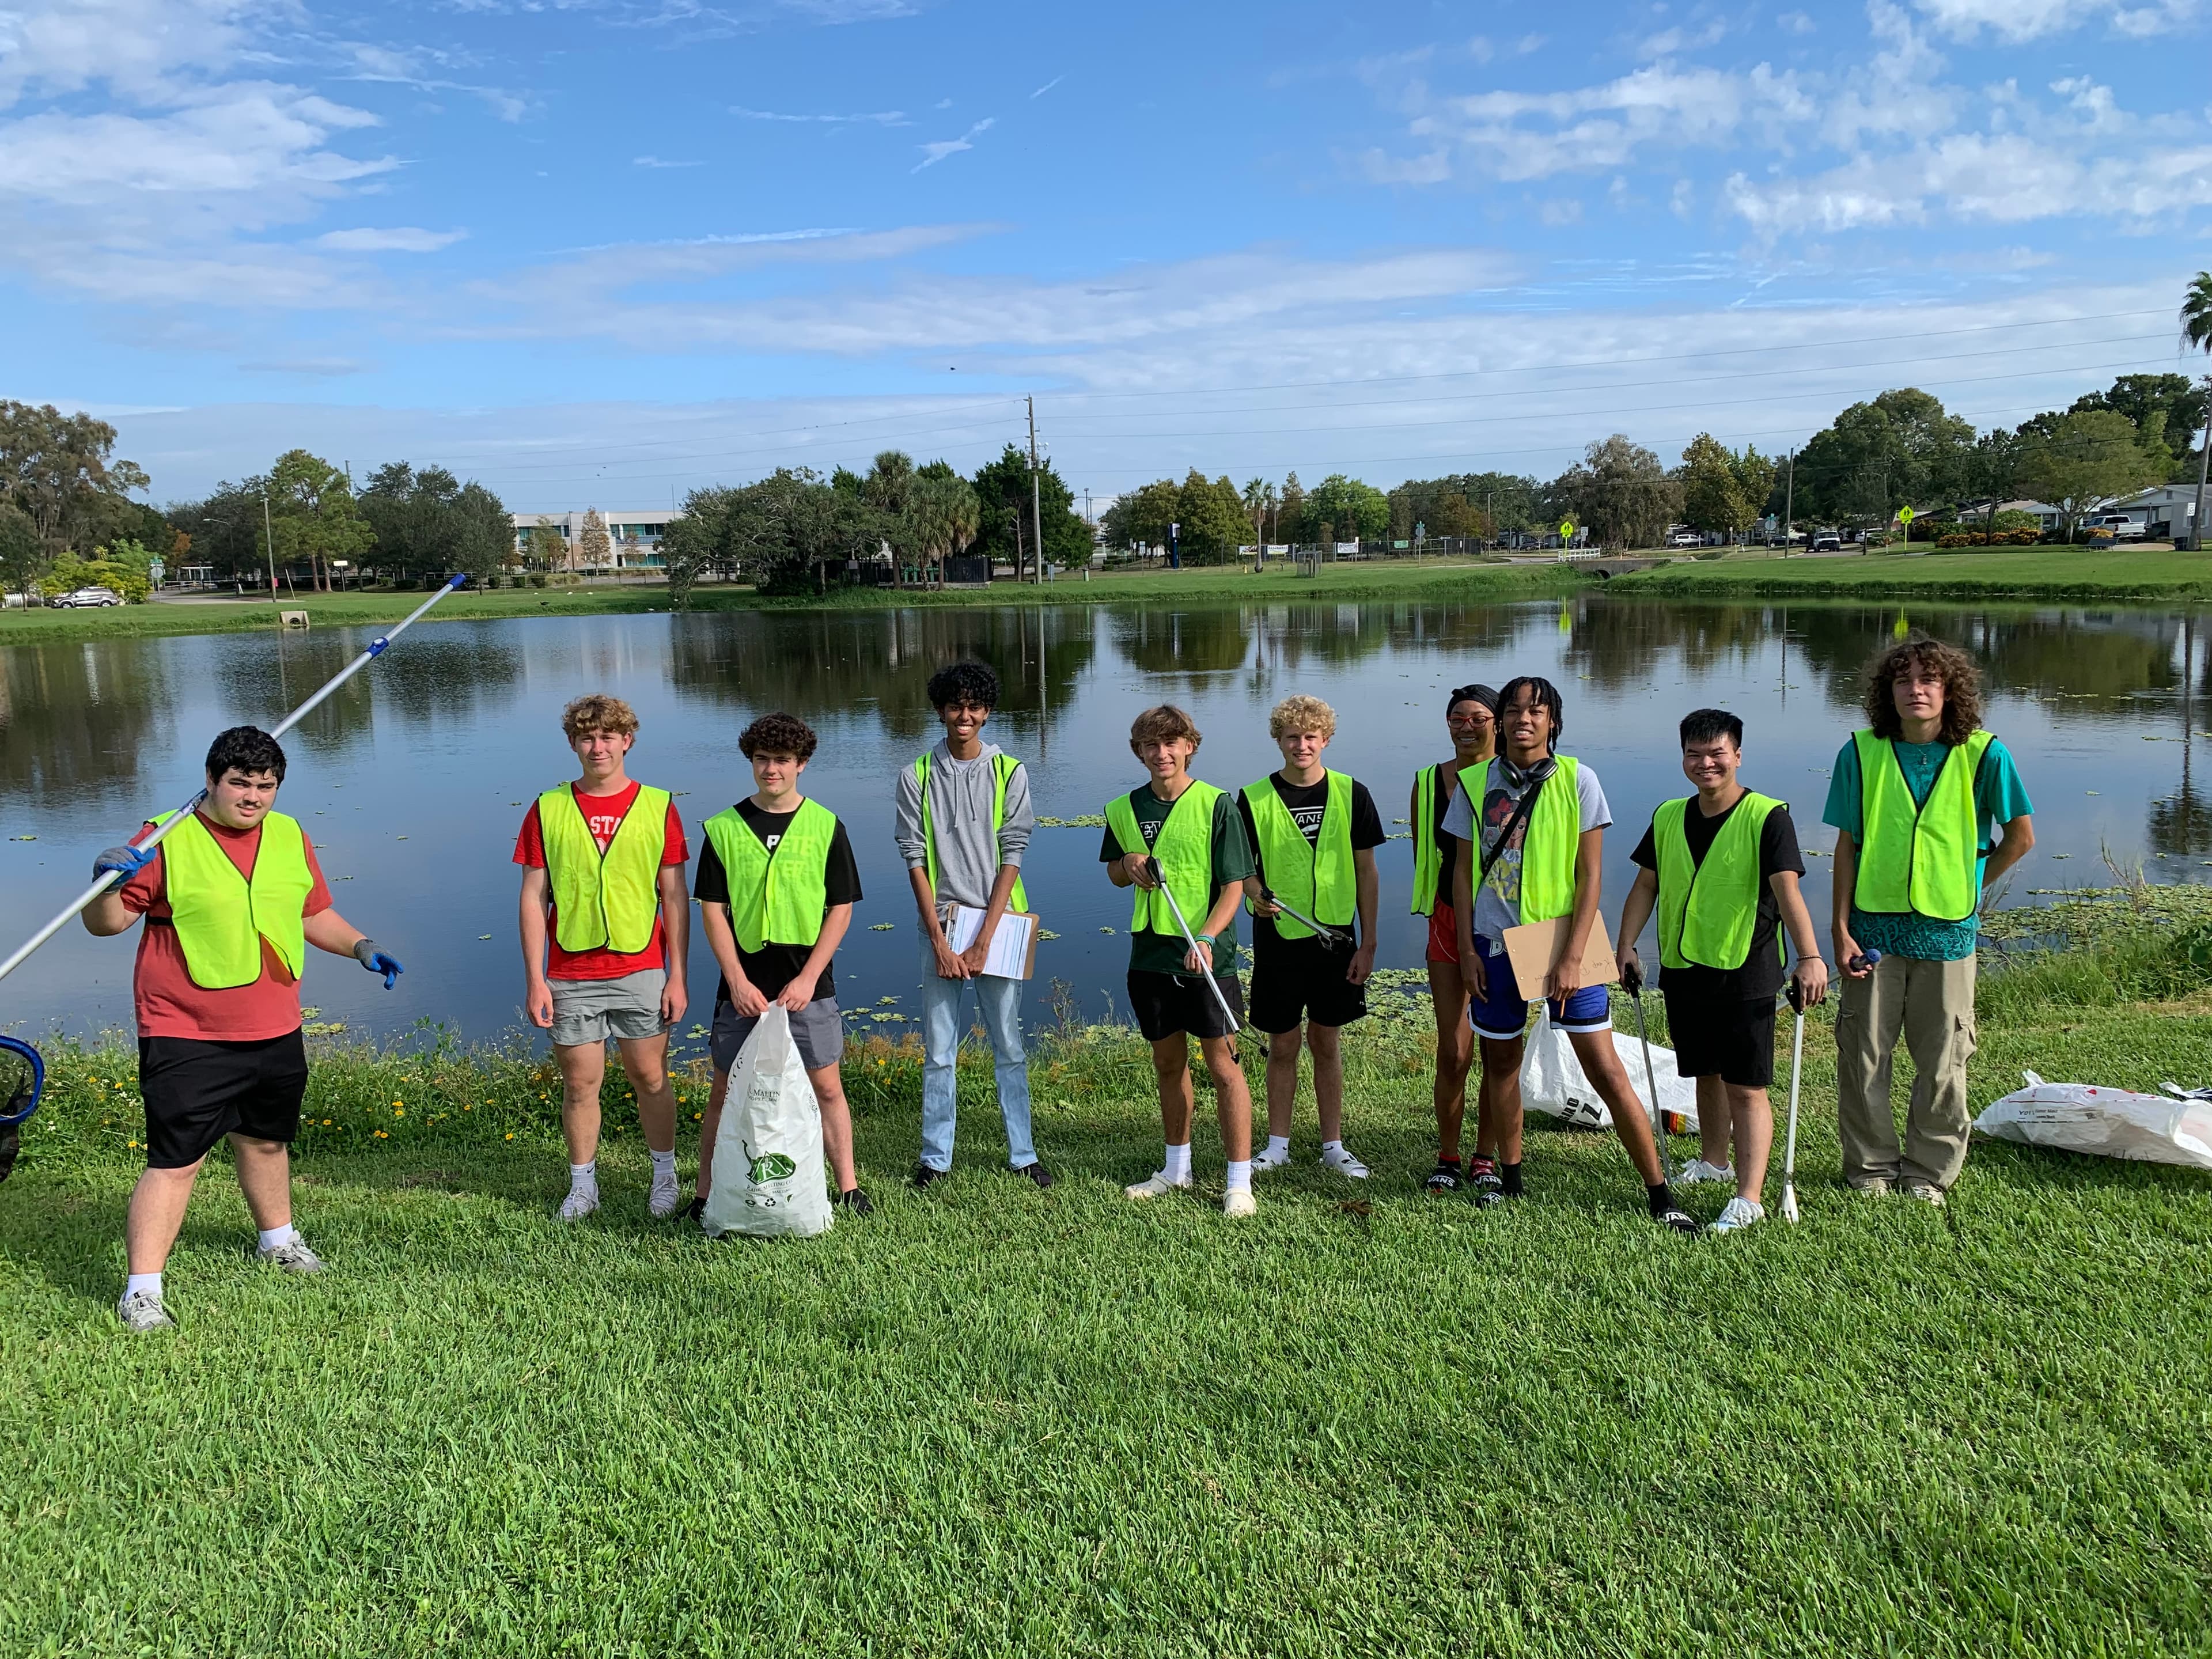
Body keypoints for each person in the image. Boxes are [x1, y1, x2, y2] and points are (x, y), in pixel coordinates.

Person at [81, 726, 405, 1332]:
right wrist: (107, 878)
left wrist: (361, 946)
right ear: (210, 780)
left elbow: (312, 912)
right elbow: (107, 925)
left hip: (275, 1024)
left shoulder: (288, 835)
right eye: (240, 784)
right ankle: (142, 1290)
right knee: (175, 1160)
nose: (254, 798)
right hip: (187, 1029)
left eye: (266, 786)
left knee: (265, 1140)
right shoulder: (165, 838)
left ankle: (278, 1241)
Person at [1445, 676, 1698, 1232]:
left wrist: (1569, 955)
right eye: (1513, 711)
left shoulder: (1579, 779)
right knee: (1502, 1065)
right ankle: (1509, 1179)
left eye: (1536, 711)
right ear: (1501, 720)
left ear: (1553, 721)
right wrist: (1465, 947)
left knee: (1605, 1068)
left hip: (1563, 941)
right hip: (1492, 943)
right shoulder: (1471, 783)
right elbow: (1462, 874)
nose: (1523, 720)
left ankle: (1660, 1194)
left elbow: (1592, 877)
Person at [1824, 635, 2033, 1206]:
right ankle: (1870, 1168)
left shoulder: (1985, 754)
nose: (1916, 690)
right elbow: (1847, 847)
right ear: (1887, 693)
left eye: (1929, 680)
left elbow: (2020, 837)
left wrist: (1971, 887)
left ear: (1950, 690)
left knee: (1943, 1061)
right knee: (1864, 1055)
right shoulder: (1860, 753)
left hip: (1948, 934)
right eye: (1903, 681)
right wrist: (1840, 930)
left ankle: (1927, 1172)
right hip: (1873, 933)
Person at [1616, 708, 1829, 1233]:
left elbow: (1788, 892)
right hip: (1685, 968)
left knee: (1746, 1086)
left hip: (1746, 972)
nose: (1706, 763)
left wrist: (1810, 957)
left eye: (1717, 754)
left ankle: (1750, 1197)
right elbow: (1647, 886)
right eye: (1695, 754)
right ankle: (1714, 1162)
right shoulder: (1668, 815)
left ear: (1737, 755)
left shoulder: (1766, 816)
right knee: (1703, 1074)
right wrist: (1625, 945)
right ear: (1683, 757)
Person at [514, 694, 691, 1222]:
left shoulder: (658, 806)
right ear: (573, 744)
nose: (598, 747)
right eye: (588, 738)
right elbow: (532, 897)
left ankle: (664, 1176)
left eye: (608, 737)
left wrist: (677, 976)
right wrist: (535, 980)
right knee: (580, 1083)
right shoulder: (548, 808)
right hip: (570, 973)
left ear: (627, 741)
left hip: (642, 967)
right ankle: (583, 1186)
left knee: (651, 1077)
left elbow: (675, 896)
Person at [692, 711, 871, 1216]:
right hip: (744, 985)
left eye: (783, 761)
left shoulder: (825, 825)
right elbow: (712, 910)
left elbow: (841, 908)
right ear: (752, 762)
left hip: (808, 982)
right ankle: (705, 1194)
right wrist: (736, 979)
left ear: (802, 765)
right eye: (763, 759)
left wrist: (810, 976)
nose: (772, 769)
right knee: (724, 1091)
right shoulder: (724, 828)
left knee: (827, 1085)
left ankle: (849, 1188)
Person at [1099, 704, 1261, 1218]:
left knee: (1224, 1067)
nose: (1161, 753)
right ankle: (1176, 1170)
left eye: (1172, 743)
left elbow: (1234, 887)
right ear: (1138, 752)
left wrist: (1209, 937)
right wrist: (1127, 864)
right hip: (1149, 955)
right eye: (1151, 745)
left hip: (1206, 958)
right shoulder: (1123, 808)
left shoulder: (1217, 805)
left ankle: (1240, 1181)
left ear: (1190, 745)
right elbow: (1114, 875)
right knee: (1168, 1063)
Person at [895, 660, 1050, 1190]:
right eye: (955, 705)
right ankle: (935, 1159)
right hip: (940, 926)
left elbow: (1015, 852)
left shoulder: (1010, 771)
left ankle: (1023, 1154)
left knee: (1009, 1044)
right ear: (941, 710)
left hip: (999, 930)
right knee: (940, 1051)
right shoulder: (916, 775)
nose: (965, 715)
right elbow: (913, 857)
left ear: (987, 711)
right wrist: (939, 941)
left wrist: (986, 937)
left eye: (975, 706)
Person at [1240, 695, 1384, 1179]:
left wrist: (1368, 942)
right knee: (1282, 1045)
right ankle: (1277, 1146)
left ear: (1326, 739)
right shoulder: (1253, 798)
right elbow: (1243, 872)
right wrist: (1255, 893)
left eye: (1310, 737)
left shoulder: (1352, 793)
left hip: (1337, 941)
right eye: (1292, 737)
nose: (1301, 745)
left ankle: (1333, 1146)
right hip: (1279, 939)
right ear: (1278, 740)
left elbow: (1367, 871)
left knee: (1326, 1041)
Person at [1411, 683, 1498, 1195]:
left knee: (1499, 1049)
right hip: (1447, 918)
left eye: (1479, 718)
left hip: (1507, 923)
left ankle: (1486, 1156)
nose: (1468, 727)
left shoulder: (1518, 779)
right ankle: (1448, 1154)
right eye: (1458, 719)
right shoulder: (1428, 781)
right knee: (1453, 1050)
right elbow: (1435, 855)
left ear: (1499, 723)